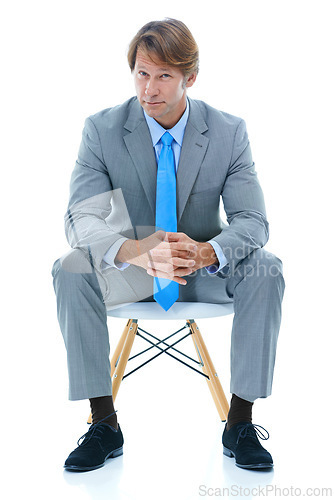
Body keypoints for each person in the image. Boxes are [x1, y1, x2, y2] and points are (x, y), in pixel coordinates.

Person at [52, 18, 285, 472]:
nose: (149, 89)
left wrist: (205, 252)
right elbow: (81, 216)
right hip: (131, 269)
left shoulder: (227, 132)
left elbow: (252, 220)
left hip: (203, 270)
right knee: (69, 267)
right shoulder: (102, 130)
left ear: (189, 77)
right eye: (142, 73)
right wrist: (138, 252)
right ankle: (103, 423)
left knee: (268, 267)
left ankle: (240, 422)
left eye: (163, 76)